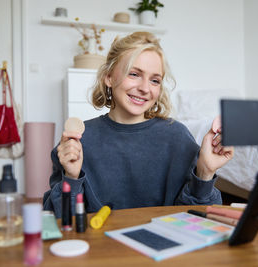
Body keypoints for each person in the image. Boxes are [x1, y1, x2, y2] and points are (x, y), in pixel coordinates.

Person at [43, 32, 234, 218]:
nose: (144, 88)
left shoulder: (178, 137)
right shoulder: (79, 140)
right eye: (134, 74)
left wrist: (205, 172)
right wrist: (72, 178)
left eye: (154, 80)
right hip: (102, 248)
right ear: (108, 77)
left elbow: (195, 218)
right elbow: (58, 219)